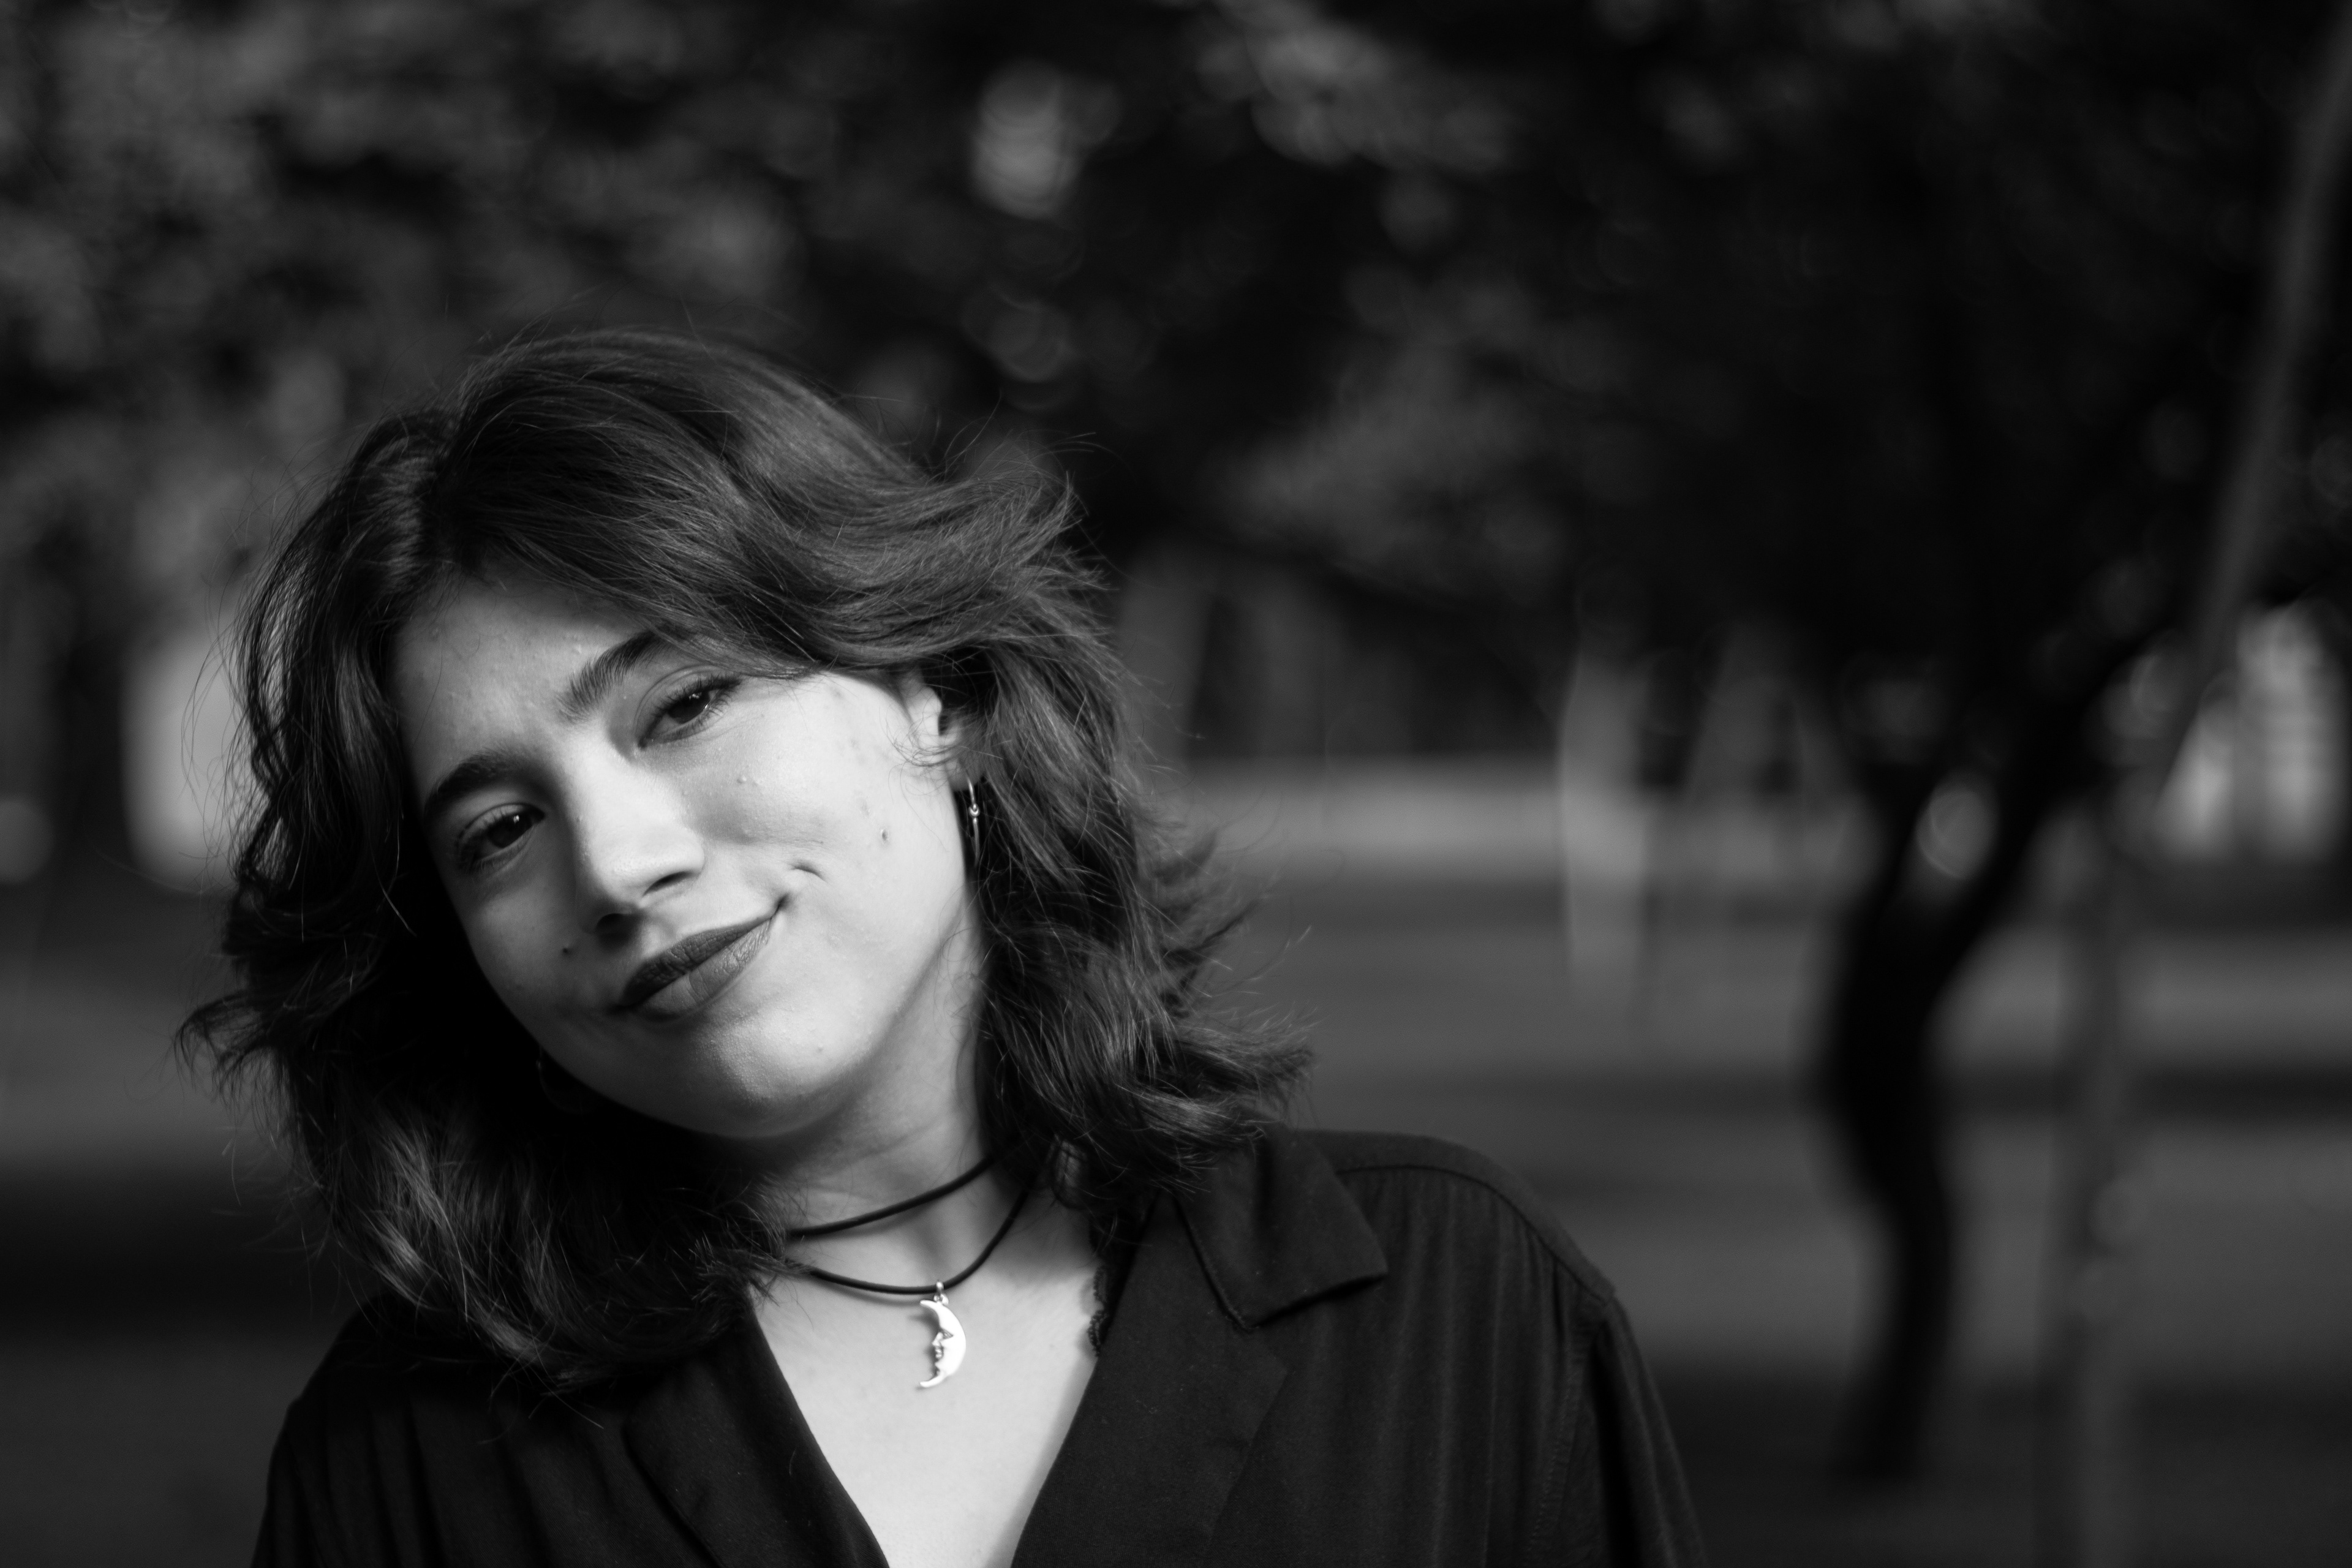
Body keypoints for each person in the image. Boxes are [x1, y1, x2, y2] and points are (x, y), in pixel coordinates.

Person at [185, 327, 1707, 1567]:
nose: (621, 862)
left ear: (939, 690)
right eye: (502, 827)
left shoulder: (1453, 1312)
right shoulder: (408, 1466)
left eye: (687, 702)